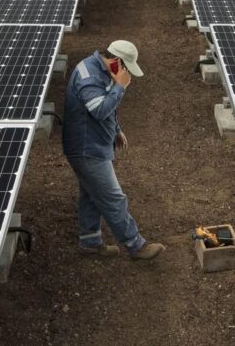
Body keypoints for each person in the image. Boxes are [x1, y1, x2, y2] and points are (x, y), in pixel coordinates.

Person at [61, 40, 165, 260]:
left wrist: (116, 129)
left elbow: (104, 105)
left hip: (93, 143)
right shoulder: (89, 76)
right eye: (126, 68)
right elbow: (98, 110)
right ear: (116, 62)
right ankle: (136, 245)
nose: (126, 74)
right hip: (86, 148)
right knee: (113, 197)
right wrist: (120, 87)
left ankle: (90, 242)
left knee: (91, 194)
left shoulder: (99, 70)